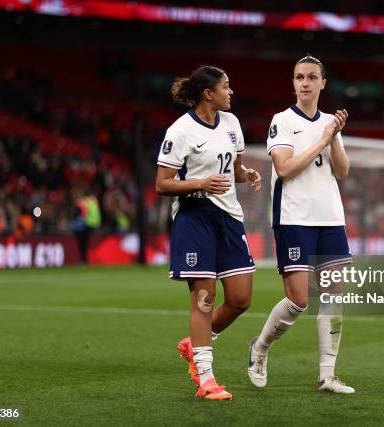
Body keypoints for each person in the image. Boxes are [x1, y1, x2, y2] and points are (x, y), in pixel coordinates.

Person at [247, 55, 355, 394]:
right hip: (294, 217)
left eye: (311, 77)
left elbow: (342, 172)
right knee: (298, 300)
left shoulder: (329, 123)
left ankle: (327, 374)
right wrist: (323, 139)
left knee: (334, 295)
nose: (305, 83)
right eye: (299, 77)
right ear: (293, 83)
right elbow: (285, 169)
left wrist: (334, 136)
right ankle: (260, 347)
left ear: (323, 83)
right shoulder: (282, 121)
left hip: (330, 217)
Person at [155, 65, 262, 401]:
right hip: (194, 217)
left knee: (241, 299)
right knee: (204, 299)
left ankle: (195, 342)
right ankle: (206, 379)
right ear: (208, 93)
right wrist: (200, 183)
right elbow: (162, 183)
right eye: (226, 86)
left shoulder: (232, 124)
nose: (231, 92)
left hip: (229, 217)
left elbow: (235, 169)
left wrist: (248, 175)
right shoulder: (181, 130)